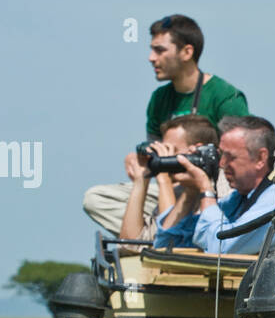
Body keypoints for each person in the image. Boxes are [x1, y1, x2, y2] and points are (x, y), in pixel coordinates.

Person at [83, 13, 248, 236]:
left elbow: (240, 159)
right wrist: (144, 161)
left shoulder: (225, 96)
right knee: (95, 199)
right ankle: (164, 230)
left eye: (159, 50)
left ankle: (154, 232)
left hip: (212, 184)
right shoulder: (159, 99)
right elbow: (157, 156)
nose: (151, 58)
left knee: (228, 190)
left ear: (187, 52)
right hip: (169, 184)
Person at [154, 115, 275, 254]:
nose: (221, 163)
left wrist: (205, 189)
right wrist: (190, 192)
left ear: (260, 158)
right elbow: (166, 246)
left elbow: (222, 248)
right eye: (220, 155)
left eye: (230, 156)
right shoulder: (235, 201)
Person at [118, 115, 227, 244]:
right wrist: (141, 180)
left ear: (197, 149)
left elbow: (167, 245)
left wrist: (162, 175)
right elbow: (130, 245)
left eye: (171, 150)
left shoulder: (224, 184)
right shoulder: (180, 189)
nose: (164, 156)